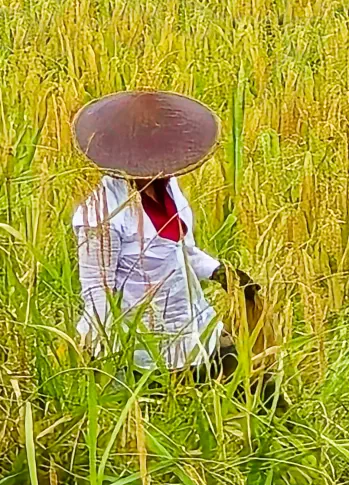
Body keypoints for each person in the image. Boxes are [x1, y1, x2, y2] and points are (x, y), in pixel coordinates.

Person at [72, 90, 259, 377]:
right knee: (159, 415)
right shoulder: (100, 216)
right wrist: (110, 358)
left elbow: (182, 251)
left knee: (254, 381)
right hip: (141, 345)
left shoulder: (168, 188)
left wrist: (222, 273)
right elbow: (98, 289)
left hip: (192, 323)